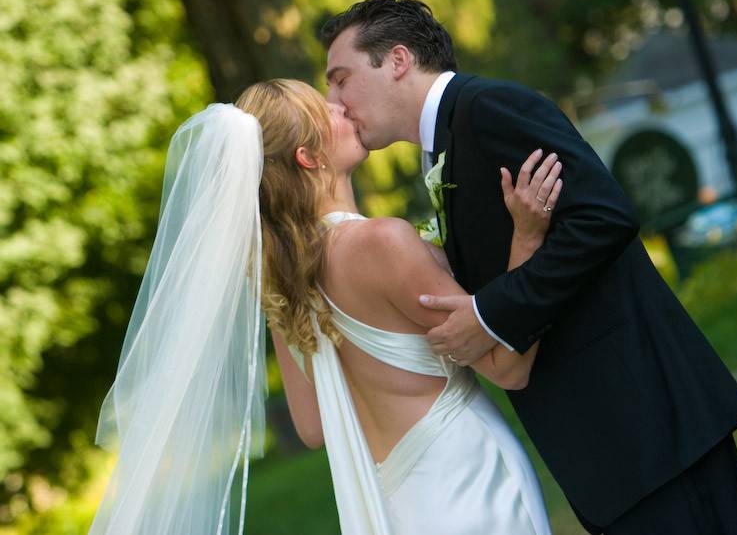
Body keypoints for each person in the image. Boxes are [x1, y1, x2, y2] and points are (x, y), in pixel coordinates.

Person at [321, 0, 737, 535]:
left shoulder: (489, 108)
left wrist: (490, 313)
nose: (335, 102)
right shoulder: (447, 144)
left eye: (340, 79)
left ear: (397, 60)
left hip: (649, 423)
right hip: (612, 442)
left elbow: (604, 215)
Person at [89, 79, 558, 534]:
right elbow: (508, 367)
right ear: (309, 157)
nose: (342, 106)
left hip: (397, 505)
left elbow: (312, 427)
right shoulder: (382, 243)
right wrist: (527, 239)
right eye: (325, 109)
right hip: (469, 483)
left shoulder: (279, 280)